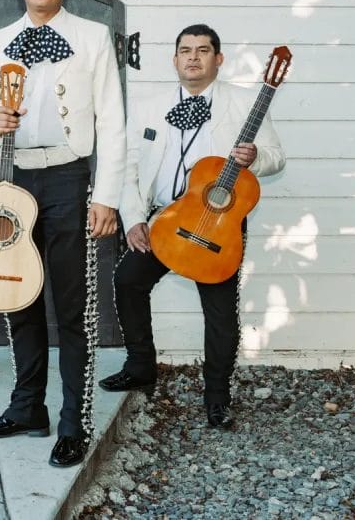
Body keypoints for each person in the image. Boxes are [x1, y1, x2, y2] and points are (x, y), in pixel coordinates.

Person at [0, 0, 126, 469]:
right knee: (19, 296)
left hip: (68, 179)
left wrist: (106, 195)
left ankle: (73, 423)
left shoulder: (92, 36)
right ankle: (27, 406)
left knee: (72, 306)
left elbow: (113, 122)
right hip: (12, 177)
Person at [102, 24, 285, 429]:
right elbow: (127, 168)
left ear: (218, 59)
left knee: (219, 313)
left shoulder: (242, 102)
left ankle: (217, 397)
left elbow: (276, 158)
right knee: (129, 280)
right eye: (185, 50)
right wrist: (133, 219)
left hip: (217, 225)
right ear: (174, 59)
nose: (193, 57)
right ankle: (140, 365)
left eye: (203, 50)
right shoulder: (149, 106)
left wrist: (254, 157)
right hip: (165, 220)